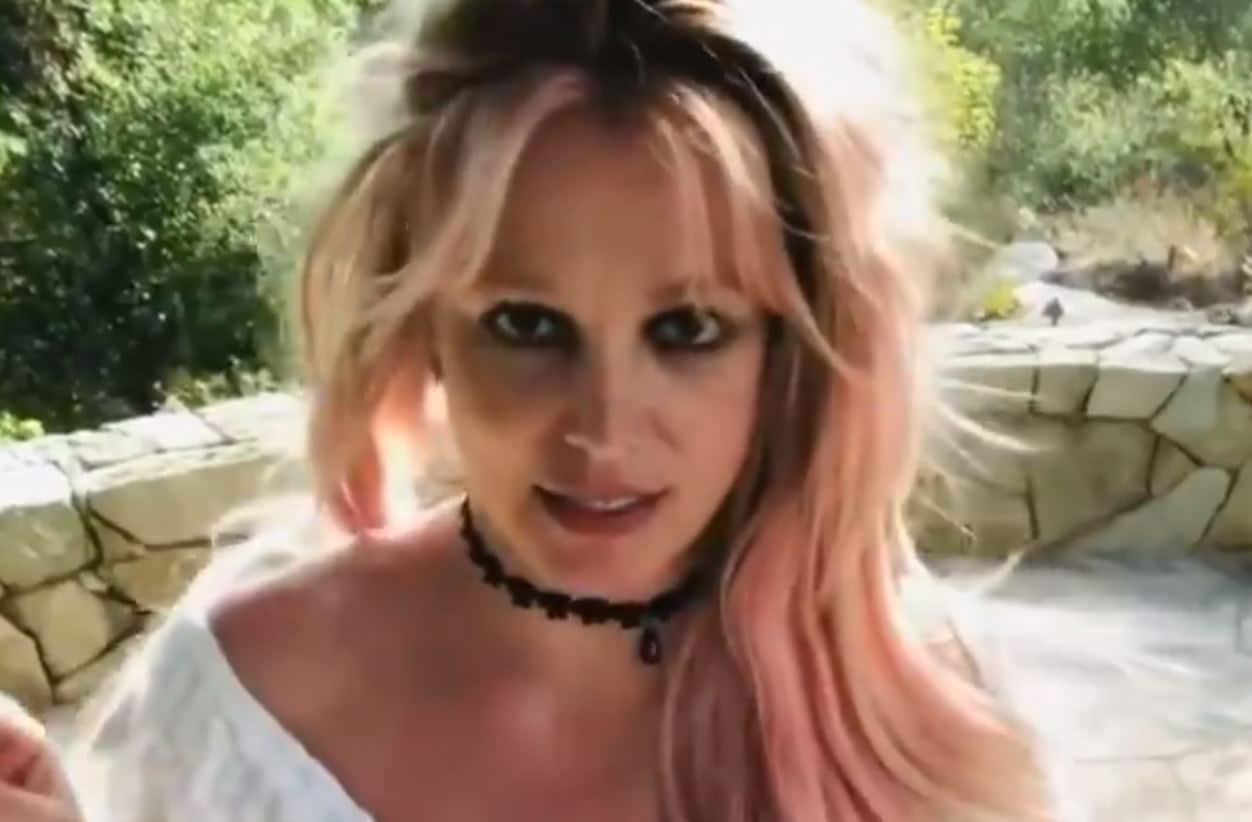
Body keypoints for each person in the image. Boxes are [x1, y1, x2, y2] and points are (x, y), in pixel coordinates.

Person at [0, 0, 1065, 818]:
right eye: (526, 325)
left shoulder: (924, 723)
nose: (602, 430)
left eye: (688, 329)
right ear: (421, 323)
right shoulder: (247, 696)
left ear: (794, 349)